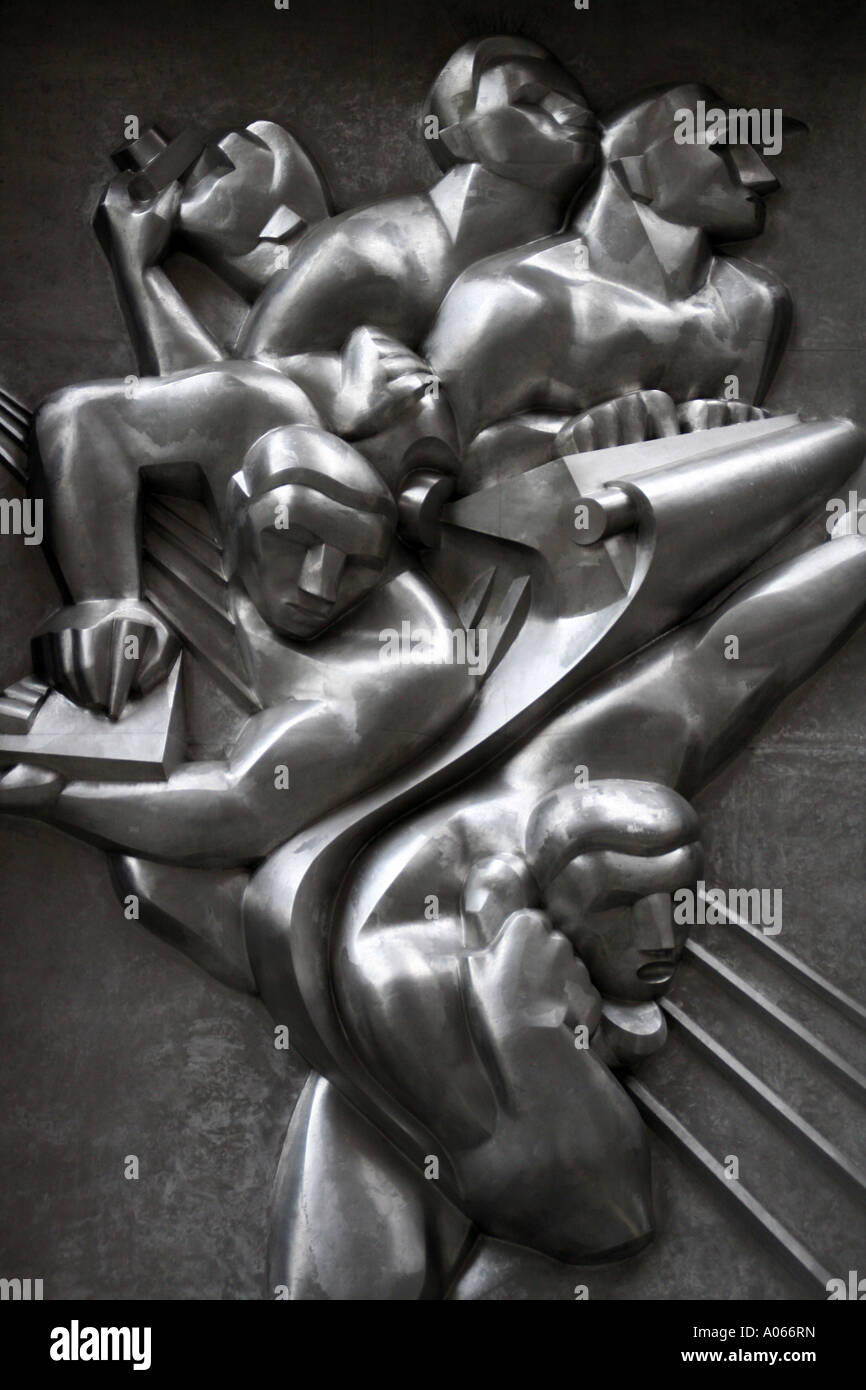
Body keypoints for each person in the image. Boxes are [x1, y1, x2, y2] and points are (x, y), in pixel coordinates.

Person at [421, 82, 792, 488]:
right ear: (637, 170)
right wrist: (558, 444)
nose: (761, 175)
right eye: (722, 148)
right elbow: (432, 464)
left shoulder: (752, 305)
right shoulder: (509, 296)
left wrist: (716, 431)